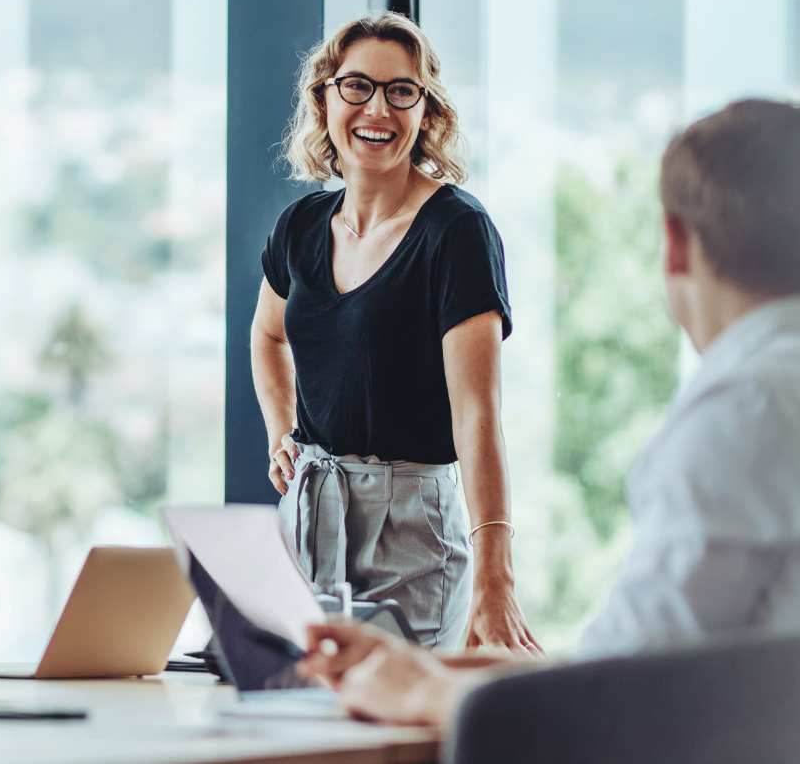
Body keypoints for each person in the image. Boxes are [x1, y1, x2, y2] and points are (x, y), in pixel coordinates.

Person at [298, 98, 800, 725]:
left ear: (674, 244)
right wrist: (431, 667)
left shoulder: (743, 413)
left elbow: (618, 700)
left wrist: (422, 693)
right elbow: (634, 659)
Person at [250, 11, 535, 651]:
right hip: (308, 514)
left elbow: (478, 415)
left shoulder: (456, 231)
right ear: (324, 99)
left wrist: (497, 576)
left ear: (427, 111)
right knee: (301, 726)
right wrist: (279, 431)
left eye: (400, 91)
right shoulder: (299, 225)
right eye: (357, 86)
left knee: (395, 737)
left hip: (411, 528)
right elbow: (268, 337)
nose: (377, 108)